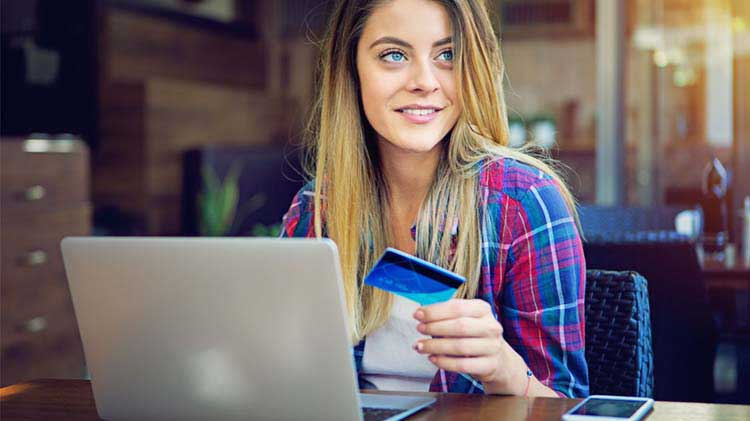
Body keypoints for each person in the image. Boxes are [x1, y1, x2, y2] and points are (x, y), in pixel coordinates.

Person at [280, 0, 588, 398]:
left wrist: (504, 369)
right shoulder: (316, 209)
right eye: (394, 55)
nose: (425, 81)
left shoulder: (525, 202)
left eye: (447, 55)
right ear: (351, 70)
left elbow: (568, 407)